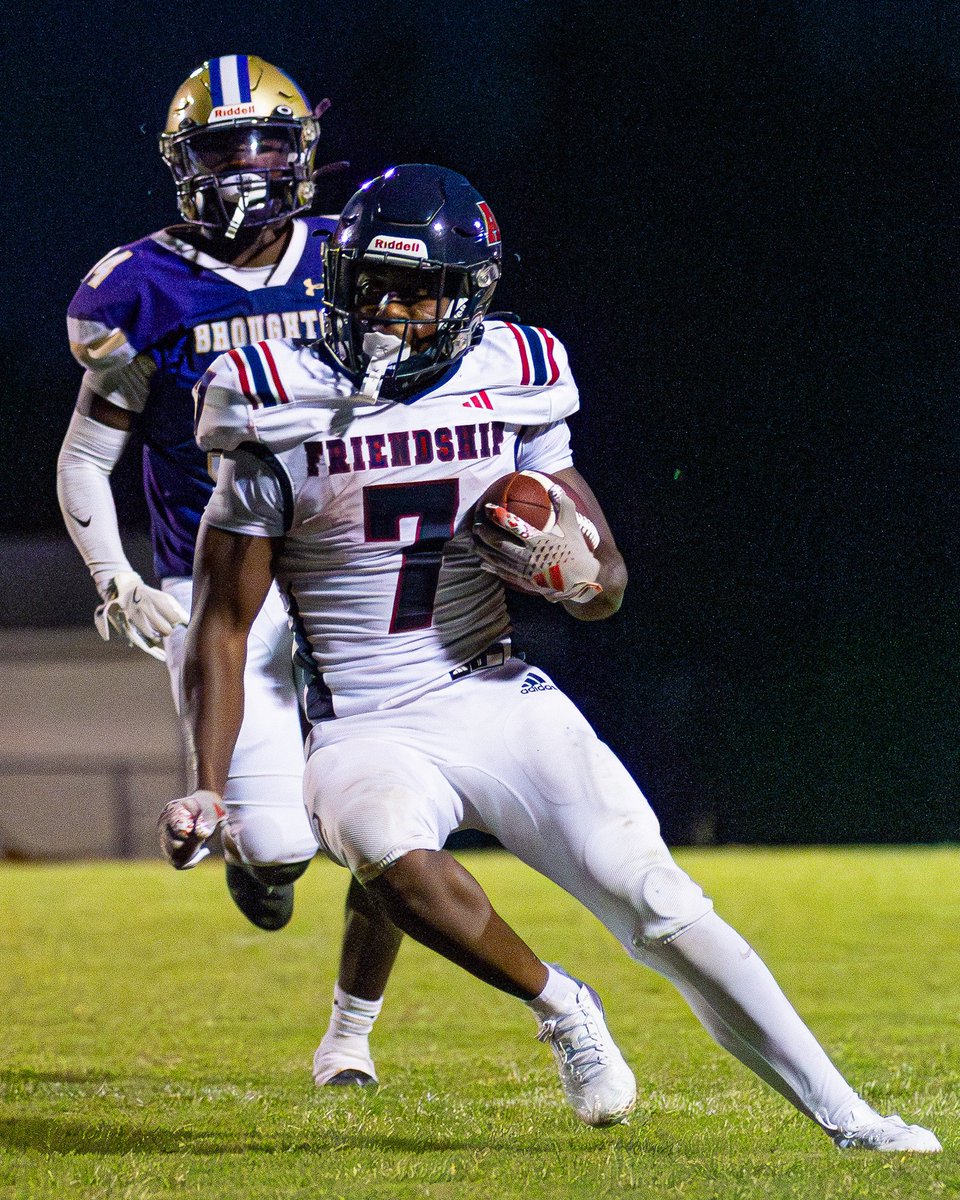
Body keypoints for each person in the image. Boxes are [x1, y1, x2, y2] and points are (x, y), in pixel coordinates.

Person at [157, 161, 941, 1150]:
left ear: (470, 296)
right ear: (340, 281)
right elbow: (223, 622)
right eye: (375, 287)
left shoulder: (515, 372)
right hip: (362, 717)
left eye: (421, 293)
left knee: (659, 902)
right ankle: (562, 1005)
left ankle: (852, 1118)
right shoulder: (274, 397)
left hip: (492, 692)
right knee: (379, 844)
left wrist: (571, 574)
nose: (394, 313)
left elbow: (608, 587)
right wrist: (207, 782)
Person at [56, 54, 402, 1086]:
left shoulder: (351, 254)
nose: (244, 168)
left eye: (264, 145)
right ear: (181, 163)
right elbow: (86, 456)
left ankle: (353, 1026)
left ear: (303, 154)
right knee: (280, 848)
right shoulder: (140, 287)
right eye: (220, 149)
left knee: (398, 808)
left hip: (348, 569)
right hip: (213, 583)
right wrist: (113, 575)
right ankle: (266, 861)